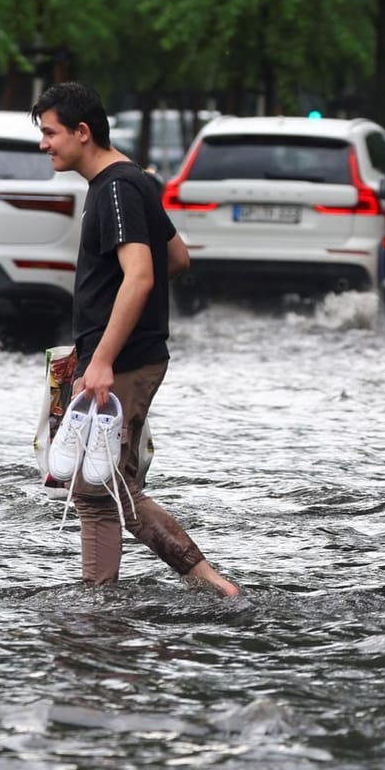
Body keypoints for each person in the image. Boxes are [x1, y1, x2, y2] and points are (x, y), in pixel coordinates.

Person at [30, 82, 240, 597]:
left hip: (119, 361)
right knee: (104, 489)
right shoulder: (133, 181)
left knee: (103, 491)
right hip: (122, 354)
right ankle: (106, 599)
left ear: (83, 132)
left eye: (51, 133)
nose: (45, 144)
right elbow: (178, 258)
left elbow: (142, 275)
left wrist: (102, 358)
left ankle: (204, 587)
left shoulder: (117, 189)